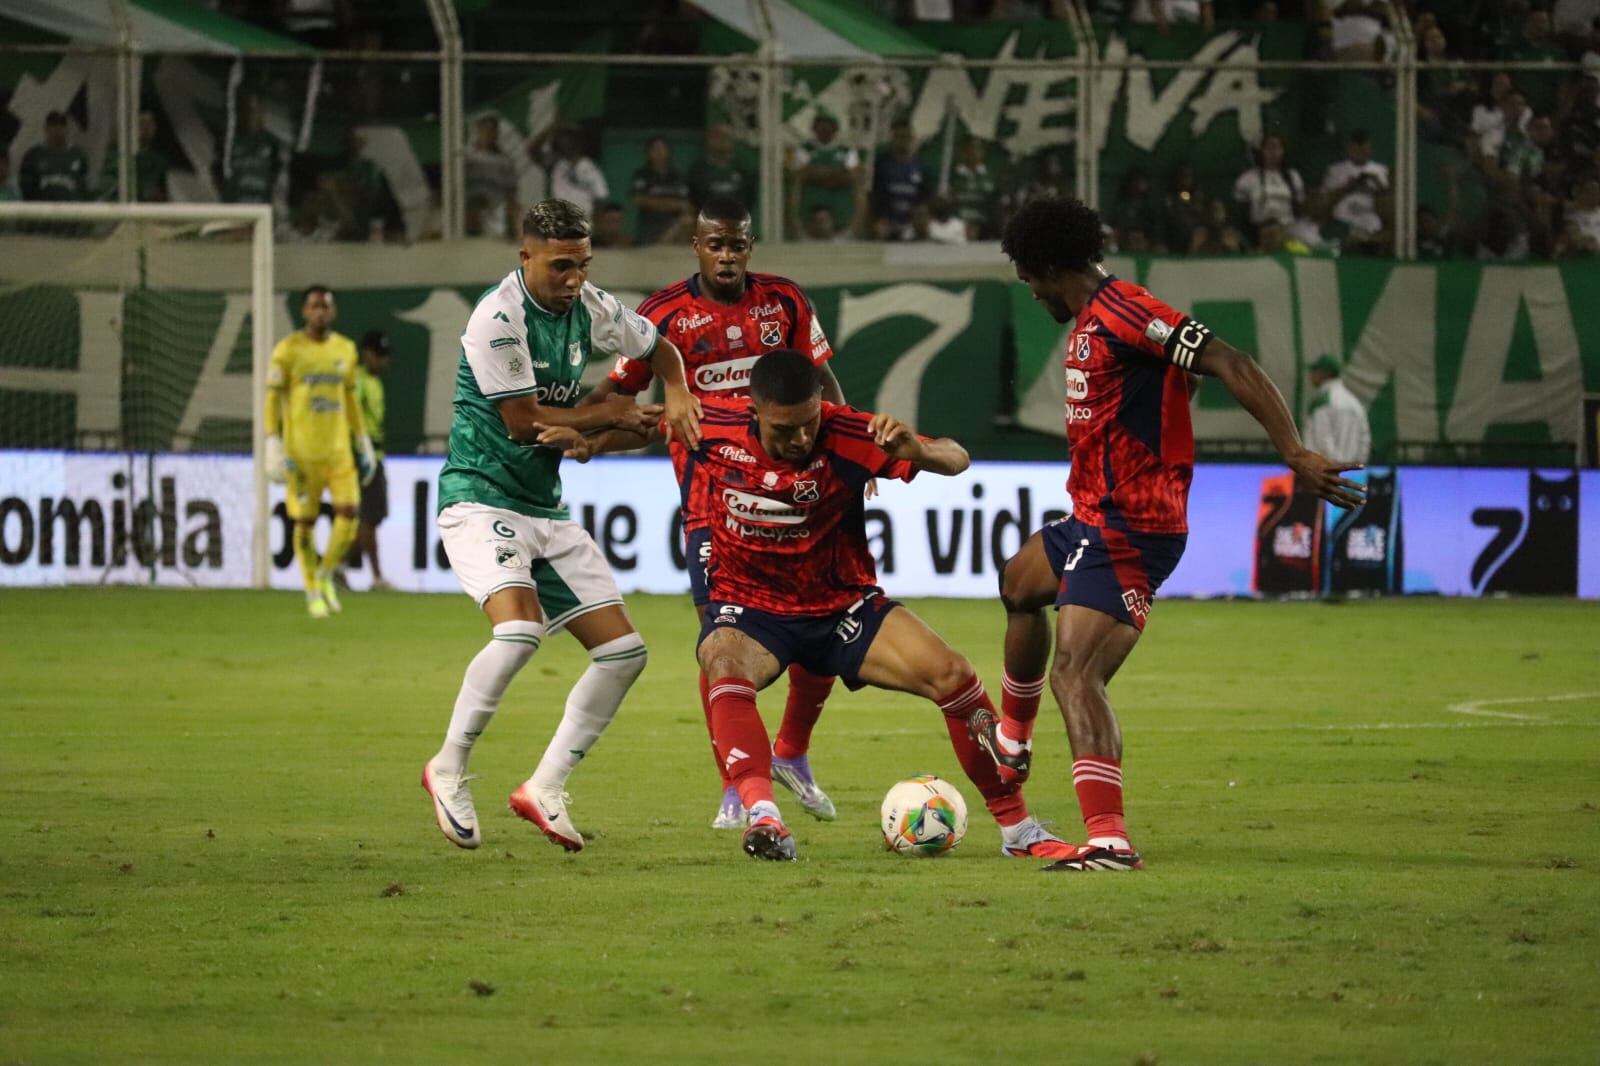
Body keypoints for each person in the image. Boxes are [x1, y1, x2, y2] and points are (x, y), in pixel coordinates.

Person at [548, 350, 1078, 863]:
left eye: (808, 423)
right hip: (752, 611)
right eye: (785, 429)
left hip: (844, 607)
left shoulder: (849, 432)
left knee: (954, 674)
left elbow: (957, 458)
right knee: (721, 660)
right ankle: (763, 815)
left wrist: (918, 450)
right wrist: (588, 443)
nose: (801, 438)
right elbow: (642, 424)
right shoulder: (712, 425)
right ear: (753, 412)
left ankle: (1018, 828)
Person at [979, 197, 1365, 872]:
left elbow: (1231, 361)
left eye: (1027, 277)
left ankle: (1109, 841)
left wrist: (1295, 452)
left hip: (1133, 525)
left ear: (1045, 267)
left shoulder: (1127, 312)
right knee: (1018, 582)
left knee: (1076, 675)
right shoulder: (1095, 322)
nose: (1029, 290)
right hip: (1093, 516)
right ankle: (1012, 742)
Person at [421, 198, 701, 854]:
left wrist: (677, 391)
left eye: (582, 264)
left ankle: (543, 787)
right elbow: (524, 423)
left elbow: (660, 348)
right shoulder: (497, 318)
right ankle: (448, 766)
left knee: (624, 654)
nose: (574, 277)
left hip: (543, 507)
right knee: (518, 633)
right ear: (526, 257)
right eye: (560, 265)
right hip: (481, 499)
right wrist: (613, 416)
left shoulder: (590, 305)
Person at [584, 195, 849, 830]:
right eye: (715, 244)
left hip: (798, 494)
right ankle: (736, 784)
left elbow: (823, 385)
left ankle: (792, 751)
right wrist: (576, 432)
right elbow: (617, 392)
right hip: (712, 505)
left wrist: (849, 452)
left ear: (749, 245)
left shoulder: (784, 302)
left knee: (830, 617)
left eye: (737, 244)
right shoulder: (662, 316)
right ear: (696, 247)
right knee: (720, 644)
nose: (726, 255)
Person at [263, 286, 378, 619]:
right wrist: (272, 440)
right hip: (301, 455)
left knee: (349, 517)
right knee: (304, 525)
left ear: (333, 312)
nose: (320, 312)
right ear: (304, 312)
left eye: (326, 306)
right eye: (314, 306)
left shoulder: (344, 349)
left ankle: (326, 573)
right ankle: (312, 590)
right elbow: (272, 399)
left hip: (339, 452)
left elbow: (351, 399)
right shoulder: (287, 351)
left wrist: (362, 440)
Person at [351, 330, 393, 590]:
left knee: (371, 518)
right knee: (368, 518)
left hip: (376, 455)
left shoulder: (374, 381)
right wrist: (359, 453)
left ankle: (333, 567)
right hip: (364, 458)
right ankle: (376, 577)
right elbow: (352, 421)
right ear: (366, 354)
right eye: (379, 355)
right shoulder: (358, 381)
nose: (383, 361)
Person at [789, 109, 861, 240]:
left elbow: (852, 177)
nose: (824, 129)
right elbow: (799, 175)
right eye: (820, 125)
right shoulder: (804, 149)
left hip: (842, 219)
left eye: (828, 125)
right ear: (814, 128)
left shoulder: (847, 151)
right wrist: (838, 171)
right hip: (808, 220)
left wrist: (816, 173)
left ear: (835, 128)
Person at [1303, 355, 1370, 467]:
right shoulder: (1355, 403)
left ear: (1324, 374)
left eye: (1314, 371)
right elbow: (1364, 440)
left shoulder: (1323, 401)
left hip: (1325, 472)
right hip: (1352, 473)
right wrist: (1356, 466)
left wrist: (1336, 466)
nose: (1311, 375)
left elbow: (1322, 440)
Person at [869, 118, 929, 241]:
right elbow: (875, 194)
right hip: (887, 220)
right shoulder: (882, 164)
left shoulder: (921, 166)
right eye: (900, 137)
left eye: (907, 137)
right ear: (893, 138)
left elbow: (925, 195)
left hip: (912, 221)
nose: (904, 141)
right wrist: (878, 219)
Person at [463, 115, 518, 238]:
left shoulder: (505, 161)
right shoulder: (466, 156)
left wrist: (513, 225)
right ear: (478, 131)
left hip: (495, 213)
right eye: (484, 130)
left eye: (492, 131)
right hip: (469, 213)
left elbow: (511, 194)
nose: (488, 134)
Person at [631, 136, 693, 245]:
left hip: (673, 223)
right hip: (650, 224)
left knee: (687, 221)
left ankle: (661, 245)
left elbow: (685, 204)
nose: (659, 152)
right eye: (655, 149)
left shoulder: (678, 176)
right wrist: (671, 204)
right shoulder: (642, 175)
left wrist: (656, 202)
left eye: (662, 149)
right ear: (649, 153)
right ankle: (658, 246)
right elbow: (639, 199)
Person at [19, 111, 89, 202]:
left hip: (71, 211)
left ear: (67, 129)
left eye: (61, 125)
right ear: (46, 128)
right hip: (42, 212)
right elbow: (25, 189)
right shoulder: (33, 155)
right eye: (53, 125)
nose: (57, 129)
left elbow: (83, 185)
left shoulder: (78, 155)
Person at [687, 123, 755, 212]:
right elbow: (693, 197)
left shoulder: (742, 167)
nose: (722, 141)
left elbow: (750, 196)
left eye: (726, 137)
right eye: (718, 136)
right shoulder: (698, 168)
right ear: (710, 140)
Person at [547, 126, 609, 218]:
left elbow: (602, 196)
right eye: (562, 140)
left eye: (568, 139)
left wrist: (596, 222)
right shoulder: (558, 166)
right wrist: (551, 128)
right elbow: (533, 150)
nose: (564, 143)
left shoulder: (588, 167)